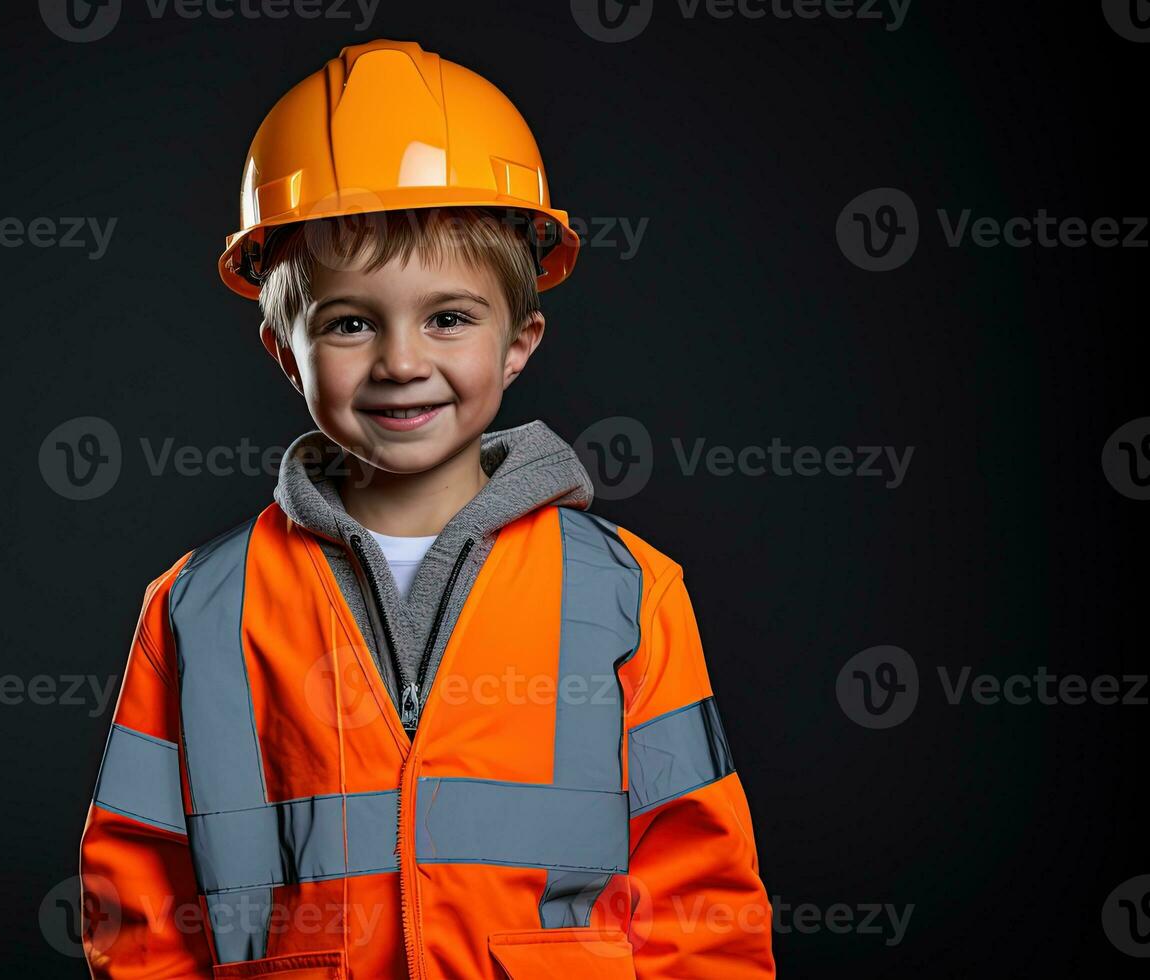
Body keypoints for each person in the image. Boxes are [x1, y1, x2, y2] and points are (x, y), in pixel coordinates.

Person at [79, 38, 775, 979]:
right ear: (287, 353)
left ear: (519, 340)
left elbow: (701, 902)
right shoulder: (197, 608)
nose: (403, 362)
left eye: (448, 317)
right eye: (350, 322)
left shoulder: (625, 593)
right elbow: (140, 908)